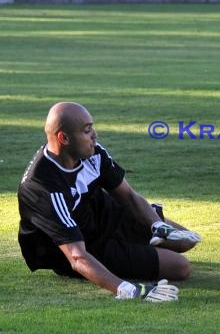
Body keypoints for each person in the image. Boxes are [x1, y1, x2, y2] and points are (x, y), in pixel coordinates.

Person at [17, 102, 202, 301]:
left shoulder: (92, 152)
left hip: (104, 216)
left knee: (184, 241)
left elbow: (129, 196)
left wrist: (156, 225)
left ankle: (140, 245)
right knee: (180, 267)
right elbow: (77, 256)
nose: (94, 135)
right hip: (87, 245)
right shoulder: (43, 188)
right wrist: (128, 289)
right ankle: (130, 254)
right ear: (64, 138)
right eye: (87, 130)